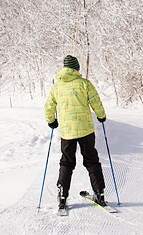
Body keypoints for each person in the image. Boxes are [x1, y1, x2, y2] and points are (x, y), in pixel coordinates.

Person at [45, 55, 108, 209]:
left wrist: (51, 121)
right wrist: (101, 116)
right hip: (86, 130)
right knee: (92, 160)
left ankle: (62, 195)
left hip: (67, 132)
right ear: (76, 68)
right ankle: (99, 193)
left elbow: (49, 106)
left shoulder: (56, 87)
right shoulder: (84, 84)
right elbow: (96, 101)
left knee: (66, 162)